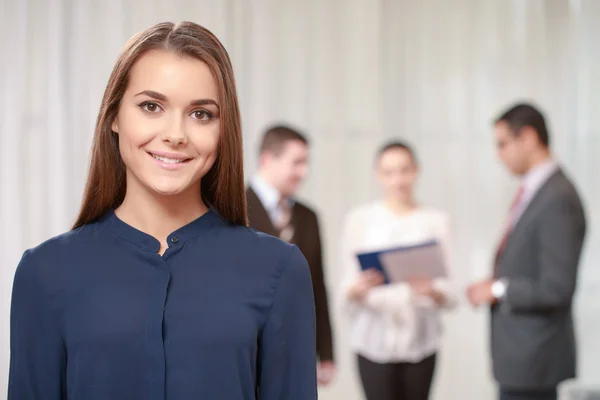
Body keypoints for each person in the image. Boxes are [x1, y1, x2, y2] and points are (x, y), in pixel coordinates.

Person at [8, 21, 317, 400]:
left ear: (225, 131)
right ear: (114, 116)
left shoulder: (279, 270)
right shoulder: (44, 272)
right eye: (151, 106)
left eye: (201, 114)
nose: (175, 134)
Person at [467, 103, 587, 400]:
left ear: (529, 138)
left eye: (503, 144)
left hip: (534, 359)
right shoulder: (538, 190)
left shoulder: (557, 198)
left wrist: (497, 289)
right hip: (522, 360)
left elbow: (557, 288)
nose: (499, 155)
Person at [338, 141, 456, 400]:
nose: (398, 180)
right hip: (373, 342)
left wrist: (432, 291)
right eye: (389, 172)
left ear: (416, 171)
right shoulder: (359, 220)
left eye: (404, 170)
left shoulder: (436, 221)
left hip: (420, 344)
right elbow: (346, 286)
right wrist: (356, 290)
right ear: (378, 175)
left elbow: (450, 293)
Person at [246, 125, 336, 385]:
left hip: (297, 348)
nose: (304, 172)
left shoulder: (309, 217)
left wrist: (326, 352)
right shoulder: (232, 209)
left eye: (306, 163)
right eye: (297, 163)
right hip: (247, 348)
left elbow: (317, 285)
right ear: (267, 159)